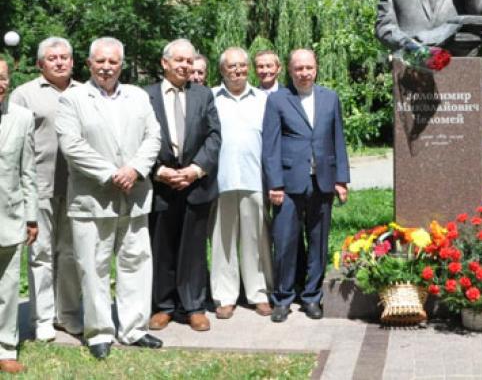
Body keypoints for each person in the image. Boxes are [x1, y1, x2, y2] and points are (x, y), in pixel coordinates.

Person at [55, 37, 162, 359]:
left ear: (121, 64)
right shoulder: (72, 99)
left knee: (136, 262)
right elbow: (71, 145)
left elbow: (153, 136)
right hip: (93, 198)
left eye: (112, 62)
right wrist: (111, 173)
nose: (106, 67)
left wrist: (135, 169)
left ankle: (134, 328)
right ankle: (99, 332)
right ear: (89, 64)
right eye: (100, 62)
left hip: (135, 194)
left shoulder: (138, 96)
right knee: (93, 265)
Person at [263, 49, 350, 322]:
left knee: (318, 242)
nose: (304, 73)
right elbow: (271, 146)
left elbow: (338, 138)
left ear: (316, 68)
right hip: (288, 184)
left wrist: (341, 179)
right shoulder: (278, 100)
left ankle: (312, 297)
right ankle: (283, 299)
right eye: (298, 68)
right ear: (290, 71)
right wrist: (274, 183)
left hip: (322, 181)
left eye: (308, 68)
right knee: (285, 242)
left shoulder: (330, 98)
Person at [10, 37, 82, 340]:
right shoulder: (24, 94)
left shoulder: (85, 92)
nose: (60, 62)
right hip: (38, 186)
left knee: (70, 253)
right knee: (40, 254)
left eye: (65, 57)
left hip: (78, 187)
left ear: (73, 61)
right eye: (52, 58)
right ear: (41, 64)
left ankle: (67, 314)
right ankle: (41, 319)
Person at [146, 40, 221, 332]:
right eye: (179, 60)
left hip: (195, 184)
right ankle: (163, 305)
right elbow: (135, 137)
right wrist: (159, 171)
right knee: (162, 247)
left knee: (193, 250)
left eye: (189, 62)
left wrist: (195, 170)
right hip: (161, 185)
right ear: (165, 63)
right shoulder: (145, 96)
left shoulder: (203, 95)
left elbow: (214, 137)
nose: (185, 66)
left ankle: (194, 307)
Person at [211, 47, 273, 319]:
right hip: (220, 179)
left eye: (242, 66)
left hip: (254, 178)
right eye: (231, 66)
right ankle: (225, 296)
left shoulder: (263, 99)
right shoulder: (211, 98)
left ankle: (258, 292)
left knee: (256, 239)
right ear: (222, 69)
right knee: (222, 241)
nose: (237, 70)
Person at [0, 59, 39, 374]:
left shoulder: (23, 118)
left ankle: (6, 347)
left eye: (2, 78)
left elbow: (28, 172)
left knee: (9, 289)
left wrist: (31, 217)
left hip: (9, 218)